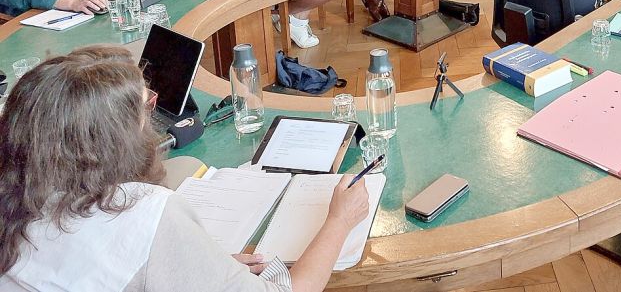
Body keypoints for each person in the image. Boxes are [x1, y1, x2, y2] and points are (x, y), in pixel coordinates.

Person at [0, 45, 370, 291]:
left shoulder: (17, 197)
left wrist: (202, 267)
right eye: (147, 107)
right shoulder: (142, 212)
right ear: (115, 139)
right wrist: (339, 221)